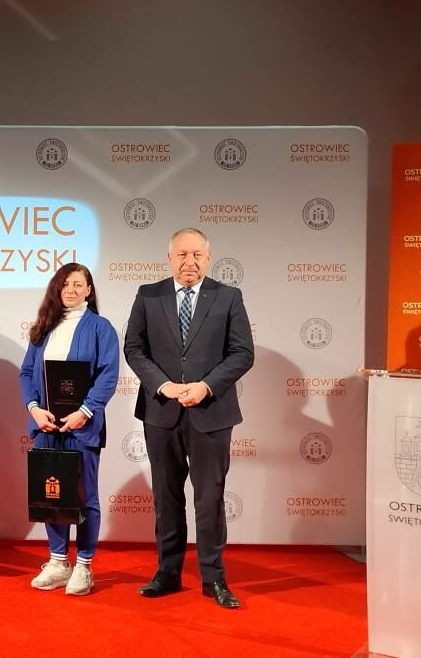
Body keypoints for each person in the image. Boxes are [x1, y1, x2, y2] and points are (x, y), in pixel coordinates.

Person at [124, 228, 254, 609]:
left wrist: (206, 386)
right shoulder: (148, 296)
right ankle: (167, 572)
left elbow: (242, 352)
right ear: (169, 258)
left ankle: (213, 578)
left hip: (211, 413)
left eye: (197, 254)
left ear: (208, 257)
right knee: (166, 498)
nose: (189, 262)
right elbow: (134, 348)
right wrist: (163, 385)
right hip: (161, 413)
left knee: (210, 498)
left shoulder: (228, 297)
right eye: (182, 255)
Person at [19, 263, 118, 596]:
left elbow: (107, 375)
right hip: (47, 427)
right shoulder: (44, 327)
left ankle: (84, 565)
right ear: (56, 289)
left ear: (89, 290)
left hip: (82, 428)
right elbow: (26, 373)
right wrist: (34, 409)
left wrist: (84, 412)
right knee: (52, 496)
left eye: (78, 284)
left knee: (85, 497)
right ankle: (59, 562)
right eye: (65, 284)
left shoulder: (101, 328)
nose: (71, 290)